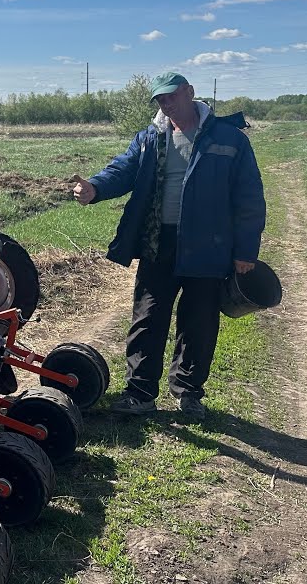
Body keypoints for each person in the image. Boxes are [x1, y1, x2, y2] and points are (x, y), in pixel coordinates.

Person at [71, 72, 265, 420]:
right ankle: (140, 393)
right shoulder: (150, 137)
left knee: (199, 321)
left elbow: (249, 197)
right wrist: (95, 188)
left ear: (190, 92)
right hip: (158, 242)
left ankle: (189, 393)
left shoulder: (229, 138)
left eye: (172, 96)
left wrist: (245, 252)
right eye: (161, 99)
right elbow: (123, 169)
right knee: (147, 317)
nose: (167, 104)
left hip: (208, 245)